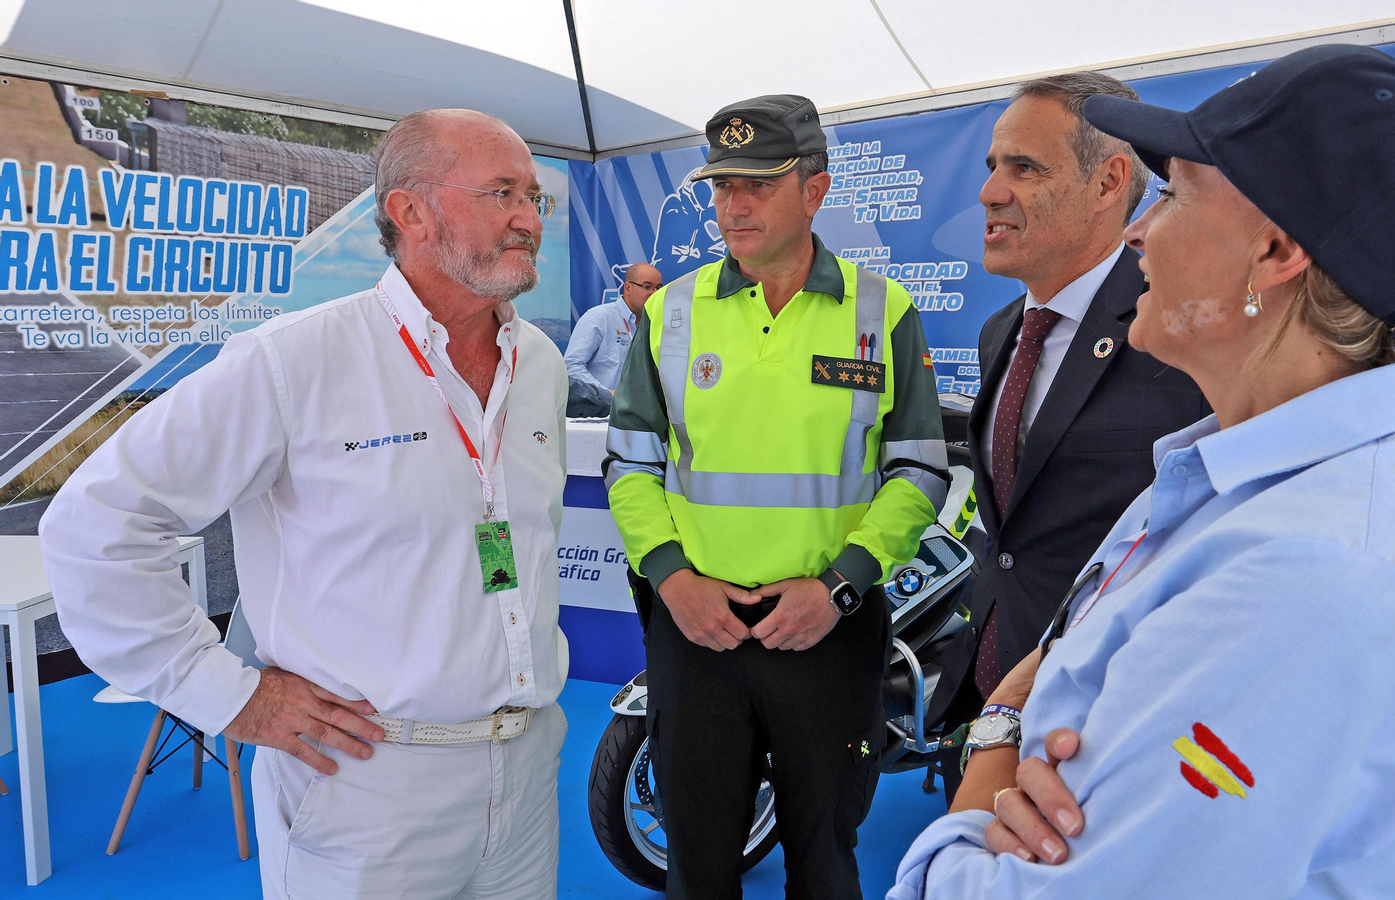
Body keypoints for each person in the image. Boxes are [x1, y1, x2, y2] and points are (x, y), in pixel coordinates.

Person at [891, 44, 1395, 899]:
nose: (1142, 231)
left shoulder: (1315, 571)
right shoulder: (1228, 475)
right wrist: (1014, 727)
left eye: (1174, 194)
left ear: (1275, 252)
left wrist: (983, 784)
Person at [40, 108, 571, 900]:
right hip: (364, 783)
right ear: (410, 211)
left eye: (535, 197)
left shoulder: (541, 365)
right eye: (502, 193)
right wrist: (229, 695)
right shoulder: (293, 361)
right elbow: (97, 526)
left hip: (528, 773)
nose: (528, 218)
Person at [604, 94, 948, 900]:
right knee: (698, 863)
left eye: (757, 183)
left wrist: (838, 587)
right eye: (723, 186)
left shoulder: (883, 311)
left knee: (825, 860)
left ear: (816, 191)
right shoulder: (670, 313)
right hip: (699, 631)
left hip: (828, 630)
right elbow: (629, 464)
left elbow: (920, 471)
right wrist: (673, 580)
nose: (734, 205)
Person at [928, 73, 1209, 800]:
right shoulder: (1001, 334)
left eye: (1023, 168)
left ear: (1110, 180)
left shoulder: (1181, 334)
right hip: (992, 701)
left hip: (1108, 729)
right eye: (993, 167)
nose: (991, 193)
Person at [565, 262, 661, 416]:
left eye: (658, 288)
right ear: (628, 288)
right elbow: (571, 365)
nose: (654, 293)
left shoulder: (657, 324)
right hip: (599, 414)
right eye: (647, 286)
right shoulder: (599, 317)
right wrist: (606, 395)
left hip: (640, 417)